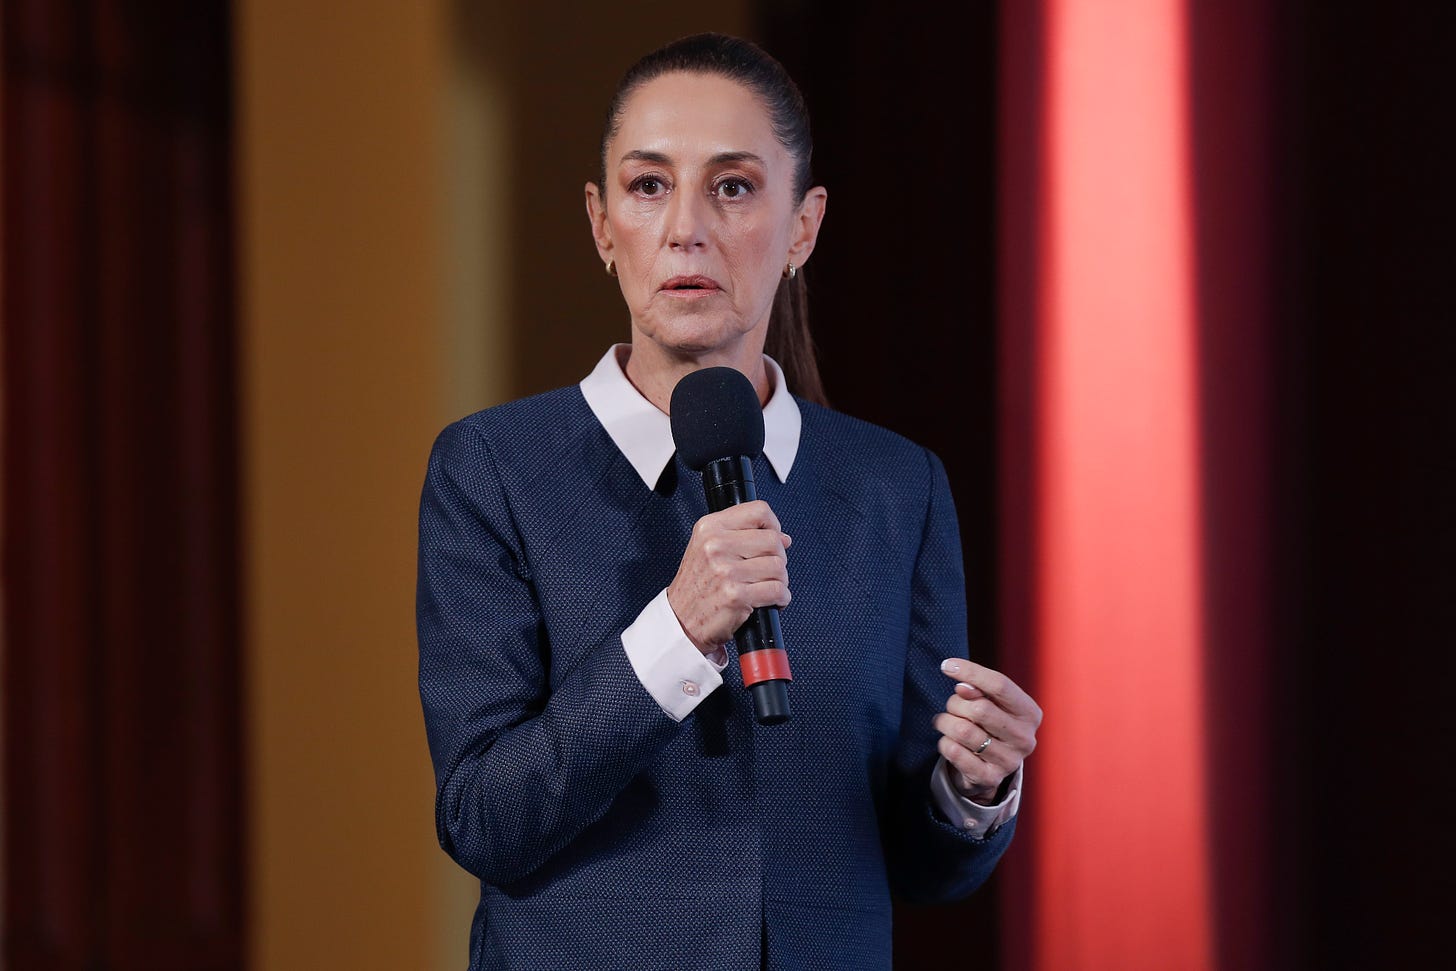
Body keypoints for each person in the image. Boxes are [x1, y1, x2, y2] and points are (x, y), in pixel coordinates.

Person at [417, 33, 1042, 971]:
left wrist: (971, 788)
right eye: (647, 185)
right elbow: (483, 818)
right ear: (600, 224)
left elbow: (919, 865)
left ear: (803, 227)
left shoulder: (892, 487)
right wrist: (677, 625)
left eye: (735, 187)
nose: (686, 229)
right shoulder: (494, 468)